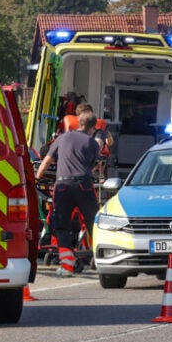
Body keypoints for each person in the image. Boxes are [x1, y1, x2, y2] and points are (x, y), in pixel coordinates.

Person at [35, 109, 100, 276]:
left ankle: (67, 266)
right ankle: (102, 261)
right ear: (92, 128)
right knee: (94, 223)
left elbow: (47, 161)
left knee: (61, 225)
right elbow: (91, 166)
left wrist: (37, 177)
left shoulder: (62, 138)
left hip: (63, 185)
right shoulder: (92, 143)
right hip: (84, 185)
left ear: (79, 123)